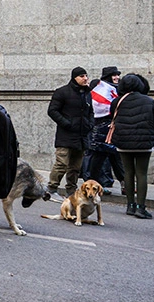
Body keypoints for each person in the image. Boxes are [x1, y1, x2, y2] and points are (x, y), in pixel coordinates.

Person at [108, 73, 154, 219]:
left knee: (128, 172)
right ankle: (141, 207)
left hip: (123, 141)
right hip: (144, 141)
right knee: (141, 174)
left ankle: (130, 205)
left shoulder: (117, 101)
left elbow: (112, 118)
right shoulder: (148, 101)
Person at [46, 67, 93, 202]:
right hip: (66, 136)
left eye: (86, 76)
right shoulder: (62, 92)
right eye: (82, 76)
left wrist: (90, 124)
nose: (85, 79)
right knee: (62, 163)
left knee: (75, 167)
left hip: (82, 136)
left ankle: (71, 190)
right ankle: (51, 189)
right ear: (74, 78)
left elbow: (90, 112)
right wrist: (67, 123)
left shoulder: (87, 93)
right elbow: (52, 111)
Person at [84, 66, 124, 192]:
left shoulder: (118, 89)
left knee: (113, 157)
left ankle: (121, 182)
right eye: (114, 75)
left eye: (118, 75)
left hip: (111, 128)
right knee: (99, 158)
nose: (117, 77)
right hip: (101, 128)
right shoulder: (100, 89)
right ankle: (95, 183)